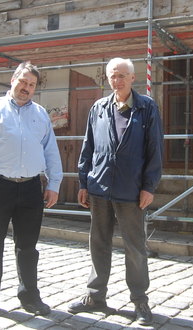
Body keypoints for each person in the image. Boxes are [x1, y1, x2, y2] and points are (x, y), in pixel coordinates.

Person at [0, 62, 63, 318]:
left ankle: (30, 297)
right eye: (23, 82)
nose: (26, 88)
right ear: (13, 80)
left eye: (31, 85)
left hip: (31, 188)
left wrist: (54, 184)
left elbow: (50, 150)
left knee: (28, 247)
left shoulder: (40, 114)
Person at [68, 57, 163, 325]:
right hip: (99, 188)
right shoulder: (98, 107)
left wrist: (149, 186)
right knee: (98, 244)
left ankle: (139, 300)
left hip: (131, 191)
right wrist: (84, 182)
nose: (116, 80)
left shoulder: (147, 108)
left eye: (121, 75)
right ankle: (95, 296)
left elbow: (155, 149)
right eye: (112, 75)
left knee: (135, 248)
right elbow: (88, 147)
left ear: (133, 78)